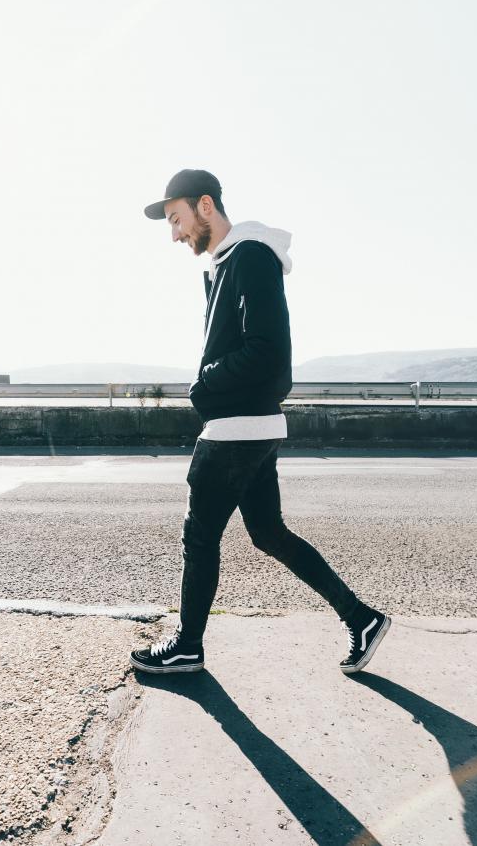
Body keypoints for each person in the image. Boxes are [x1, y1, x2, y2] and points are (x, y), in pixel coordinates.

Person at [130, 169, 390, 675]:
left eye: (178, 219)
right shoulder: (227, 263)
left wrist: (203, 383)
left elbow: (269, 353)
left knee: (199, 535)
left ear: (206, 205)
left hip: (235, 430)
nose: (175, 233)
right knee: (268, 533)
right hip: (251, 428)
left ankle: (187, 645)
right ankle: (361, 619)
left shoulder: (250, 258)